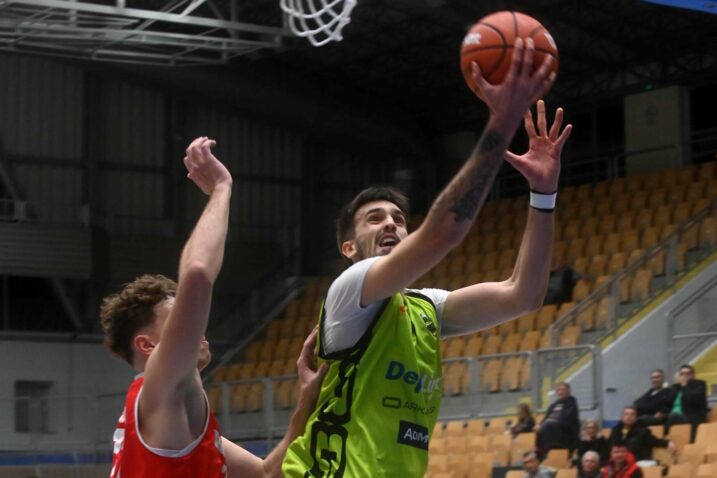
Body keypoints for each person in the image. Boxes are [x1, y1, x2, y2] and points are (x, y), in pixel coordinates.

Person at [283, 37, 570, 477]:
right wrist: (502, 120)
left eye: (398, 218)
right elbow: (443, 233)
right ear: (348, 248)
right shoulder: (348, 294)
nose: (391, 224)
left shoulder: (426, 308)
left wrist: (544, 194)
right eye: (374, 219)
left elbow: (523, 296)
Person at [101, 137, 327, 478]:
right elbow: (197, 273)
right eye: (175, 319)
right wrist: (221, 188)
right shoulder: (158, 388)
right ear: (148, 345)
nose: (195, 326)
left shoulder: (179, 416)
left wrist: (305, 401)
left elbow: (268, 473)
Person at [608, 406, 674, 462]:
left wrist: (667, 443)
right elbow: (609, 445)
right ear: (622, 417)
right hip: (618, 461)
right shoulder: (615, 430)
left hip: (637, 460)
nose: (629, 417)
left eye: (632, 414)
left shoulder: (642, 431)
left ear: (636, 418)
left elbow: (654, 441)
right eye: (626, 414)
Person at [536, 382, 580, 459]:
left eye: (563, 390)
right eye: (559, 390)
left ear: (568, 391)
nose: (560, 392)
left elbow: (565, 421)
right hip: (549, 430)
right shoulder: (553, 405)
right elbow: (546, 417)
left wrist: (549, 423)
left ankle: (547, 454)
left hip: (565, 433)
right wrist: (539, 425)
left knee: (547, 425)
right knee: (540, 427)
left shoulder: (571, 404)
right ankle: (540, 453)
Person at [666, 364, 708, 440]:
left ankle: (667, 439)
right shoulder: (675, 387)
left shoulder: (700, 384)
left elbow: (692, 400)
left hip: (692, 416)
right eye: (682, 374)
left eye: (687, 373)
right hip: (674, 415)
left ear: (693, 375)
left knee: (673, 416)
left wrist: (684, 386)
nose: (684, 376)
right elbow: (668, 400)